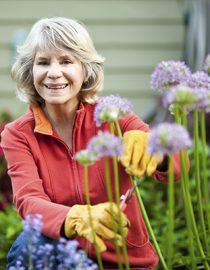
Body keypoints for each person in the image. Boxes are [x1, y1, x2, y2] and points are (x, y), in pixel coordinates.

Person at [1, 17, 182, 269]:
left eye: (66, 61)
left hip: (127, 261)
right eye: (43, 62)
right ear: (30, 72)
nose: (54, 72)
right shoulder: (18, 134)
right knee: (28, 244)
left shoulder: (113, 116)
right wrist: (75, 216)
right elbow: (29, 202)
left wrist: (154, 147)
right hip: (66, 259)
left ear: (84, 69)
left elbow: (176, 167)